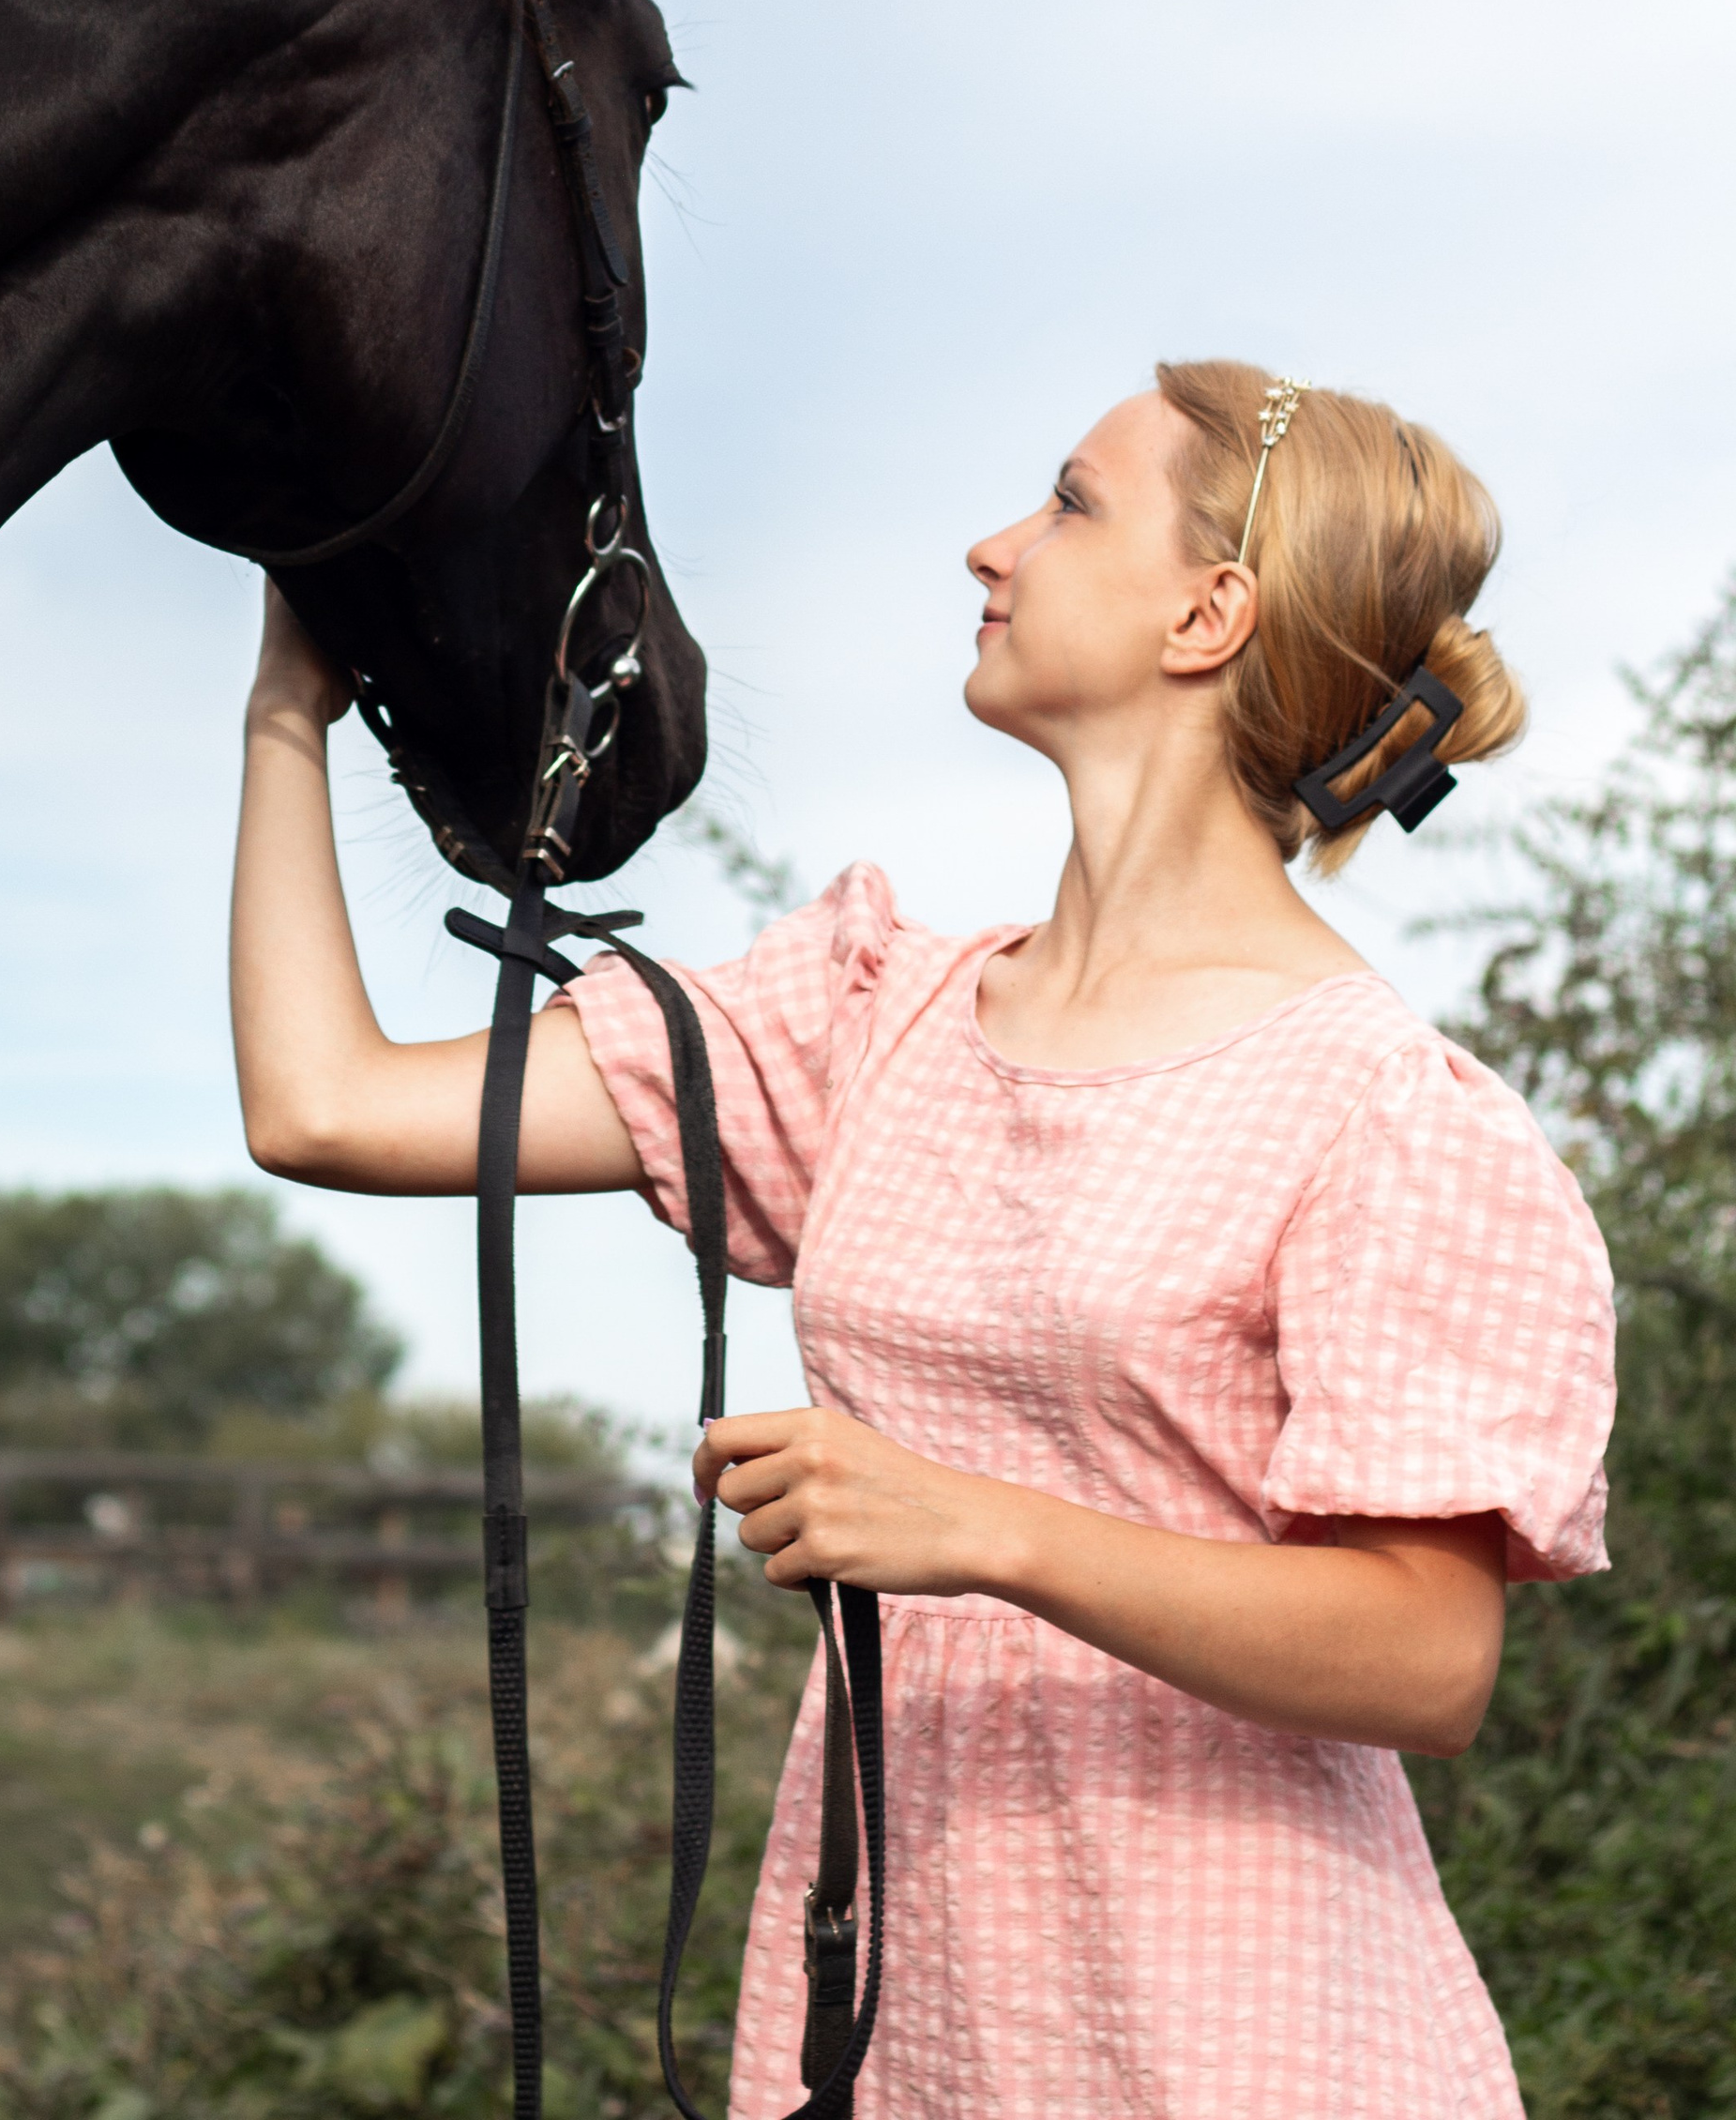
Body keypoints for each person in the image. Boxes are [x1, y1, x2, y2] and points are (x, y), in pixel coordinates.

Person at [228, 360, 1615, 2119]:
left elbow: (1426, 1655)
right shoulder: (876, 1019)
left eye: (1068, 501)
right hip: (906, 2016)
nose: (992, 546)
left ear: (1209, 612)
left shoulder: (1387, 1114)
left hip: (1250, 2035)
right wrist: (292, 700)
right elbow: (325, 1106)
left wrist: (982, 1530)